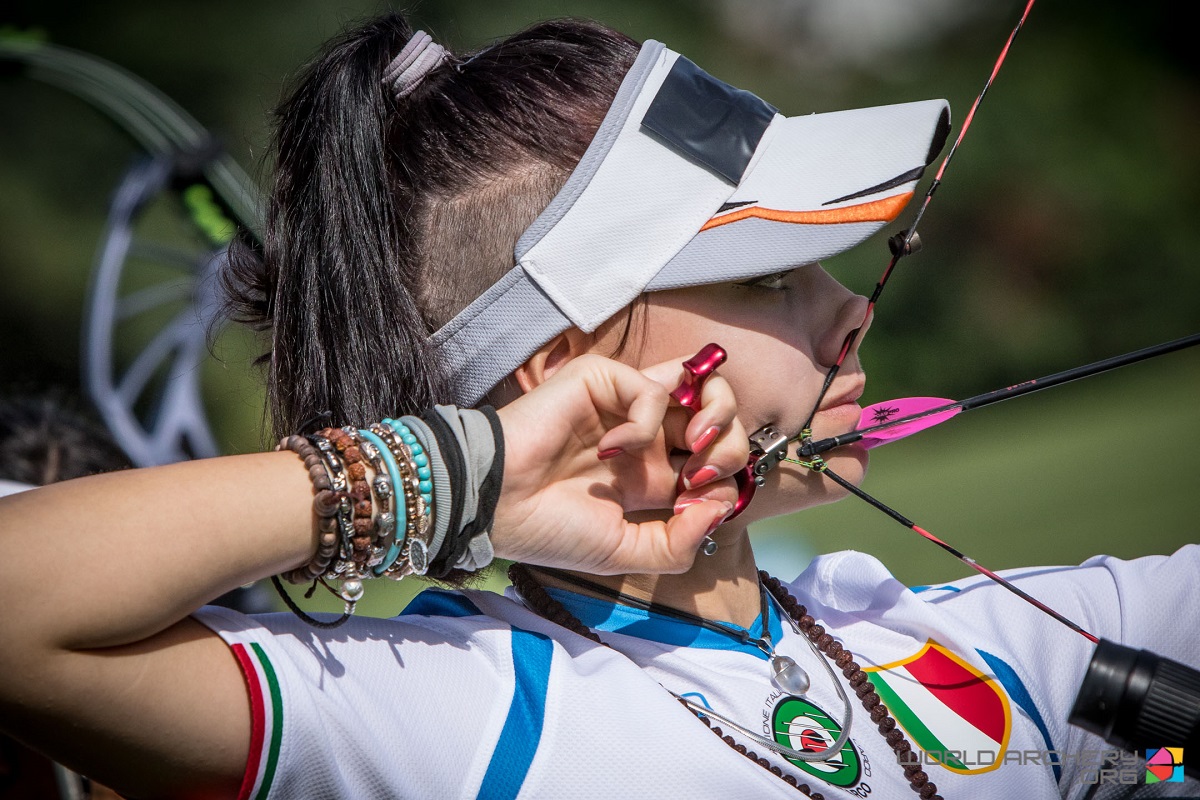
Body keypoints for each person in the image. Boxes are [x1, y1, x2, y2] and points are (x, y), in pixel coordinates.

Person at [0, 13, 1195, 800]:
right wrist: (467, 473)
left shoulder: (987, 643)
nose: (855, 307)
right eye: (774, 273)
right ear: (565, 359)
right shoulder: (465, 720)